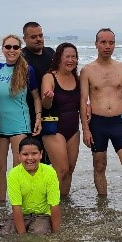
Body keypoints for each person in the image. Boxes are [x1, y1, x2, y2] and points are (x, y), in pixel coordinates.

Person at [0, 34, 42, 202]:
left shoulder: (27, 70)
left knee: (17, 169)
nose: (11, 50)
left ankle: (18, 204)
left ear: (20, 50)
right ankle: (1, 204)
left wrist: (39, 118)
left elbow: (35, 97)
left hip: (20, 125)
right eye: (8, 47)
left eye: (15, 47)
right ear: (3, 49)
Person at [80, 28, 122, 200]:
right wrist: (85, 129)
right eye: (103, 42)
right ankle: (103, 201)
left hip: (119, 122)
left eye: (111, 42)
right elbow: (83, 101)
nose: (107, 46)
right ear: (96, 44)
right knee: (99, 165)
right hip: (97, 124)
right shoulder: (87, 70)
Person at [40, 42, 81, 197]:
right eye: (67, 57)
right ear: (59, 58)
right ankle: (53, 203)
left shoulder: (76, 78)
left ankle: (64, 202)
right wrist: (48, 97)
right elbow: (46, 104)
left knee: (69, 170)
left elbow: (82, 102)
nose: (70, 60)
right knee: (61, 170)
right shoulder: (49, 77)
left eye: (73, 57)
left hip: (73, 130)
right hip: (54, 128)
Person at [0, 137, 61, 235]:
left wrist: (56, 234)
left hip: (42, 215)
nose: (30, 158)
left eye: (34, 154)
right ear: (19, 156)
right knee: (4, 233)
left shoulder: (50, 172)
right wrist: (22, 237)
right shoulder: (13, 174)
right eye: (25, 154)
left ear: (41, 154)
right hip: (22, 214)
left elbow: (54, 205)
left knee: (39, 233)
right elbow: (16, 207)